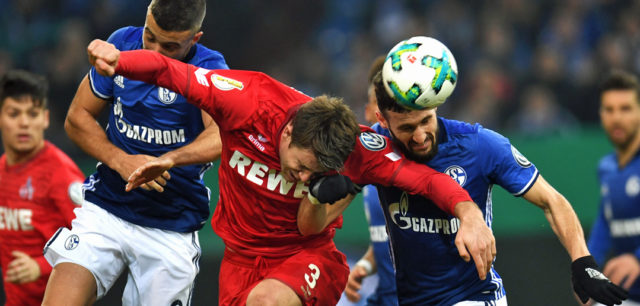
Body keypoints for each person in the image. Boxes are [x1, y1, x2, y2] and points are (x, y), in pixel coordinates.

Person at [87, 39, 497, 305]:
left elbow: (424, 178)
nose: (302, 180)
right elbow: (169, 72)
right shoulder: (247, 101)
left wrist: (469, 215)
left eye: (313, 176)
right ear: (286, 132)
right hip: (239, 259)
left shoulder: (355, 148)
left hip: (307, 256)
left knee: (266, 302)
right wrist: (120, 61)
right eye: (300, 167)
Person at [362, 63, 629, 305]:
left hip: (474, 297)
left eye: (426, 121)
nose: (420, 136)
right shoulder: (376, 148)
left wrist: (583, 261)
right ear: (383, 120)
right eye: (408, 128)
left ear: (436, 106)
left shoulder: (480, 145)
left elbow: (551, 200)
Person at [41, 1, 228, 305]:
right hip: (107, 208)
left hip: (171, 223)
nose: (153, 52)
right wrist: (121, 160)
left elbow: (221, 135)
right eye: (149, 36)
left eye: (169, 45)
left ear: (195, 39)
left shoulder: (210, 69)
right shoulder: (122, 44)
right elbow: (78, 118)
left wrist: (167, 160)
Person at [0, 70, 84, 306]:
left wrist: (39, 265)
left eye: (33, 114)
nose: (24, 122)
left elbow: (91, 244)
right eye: (14, 114)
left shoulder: (61, 173)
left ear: (45, 119)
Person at [343, 55, 398, 306]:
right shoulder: (363, 165)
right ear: (369, 112)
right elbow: (388, 237)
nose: (386, 113)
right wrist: (366, 263)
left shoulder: (419, 165)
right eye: (380, 105)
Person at [588, 70, 640, 305]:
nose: (616, 118)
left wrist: (637, 259)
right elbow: (605, 222)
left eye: (625, 109)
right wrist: (586, 268)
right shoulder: (606, 168)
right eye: (609, 110)